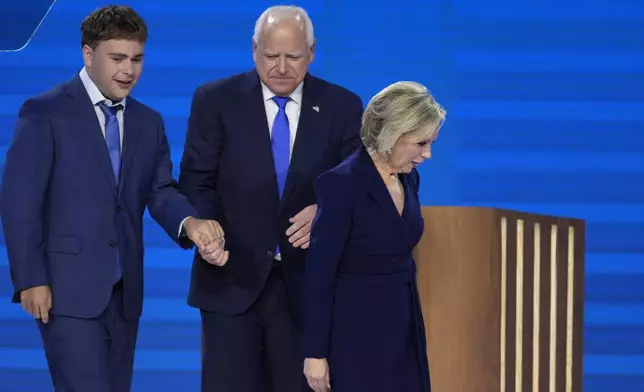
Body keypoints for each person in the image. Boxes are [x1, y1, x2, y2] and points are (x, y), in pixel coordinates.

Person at [0, 6, 222, 392]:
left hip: (124, 294)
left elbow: (161, 191)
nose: (128, 70)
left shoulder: (147, 122)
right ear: (88, 55)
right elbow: (20, 202)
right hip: (66, 292)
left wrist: (192, 223)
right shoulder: (44, 112)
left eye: (136, 59)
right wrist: (31, 278)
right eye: (117, 58)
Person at [178, 5, 364, 392]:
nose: (281, 66)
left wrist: (326, 212)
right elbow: (197, 182)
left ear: (312, 53)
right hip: (229, 282)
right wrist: (208, 232)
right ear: (253, 50)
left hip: (306, 289)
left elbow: (360, 185)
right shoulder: (215, 100)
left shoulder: (342, 107)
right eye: (271, 55)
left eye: (293, 56)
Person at [302, 81, 447, 392]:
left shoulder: (410, 178)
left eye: (431, 142)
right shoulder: (341, 184)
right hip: (355, 334)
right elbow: (319, 274)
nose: (428, 154)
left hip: (403, 327)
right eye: (421, 143)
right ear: (392, 134)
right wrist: (315, 353)